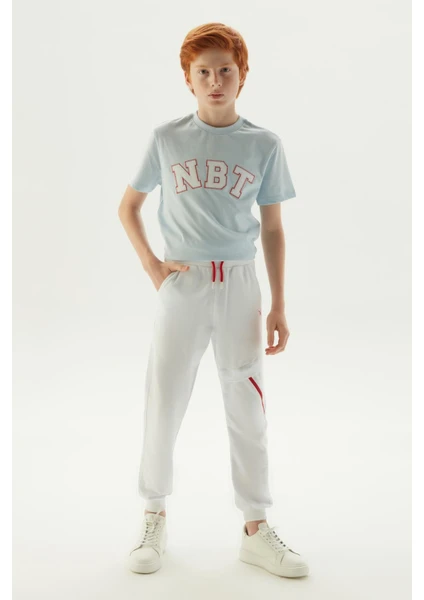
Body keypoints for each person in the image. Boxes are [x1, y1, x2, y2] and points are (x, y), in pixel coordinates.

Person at [118, 22, 309, 579]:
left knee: (247, 404)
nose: (215, 81)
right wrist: (153, 267)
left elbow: (273, 228)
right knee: (165, 398)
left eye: (226, 70)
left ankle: (255, 528)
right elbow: (128, 207)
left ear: (242, 75)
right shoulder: (166, 139)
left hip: (240, 285)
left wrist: (279, 304)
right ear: (188, 78)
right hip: (183, 285)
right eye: (203, 72)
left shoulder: (264, 144)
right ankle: (153, 517)